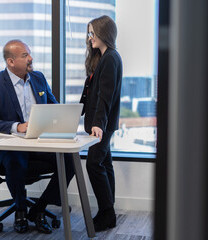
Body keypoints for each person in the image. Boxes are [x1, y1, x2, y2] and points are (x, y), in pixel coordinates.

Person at [0, 40, 74, 234]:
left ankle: (39, 209)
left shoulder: (38, 78)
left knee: (70, 161)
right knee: (16, 160)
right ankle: (21, 210)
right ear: (11, 62)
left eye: (29, 54)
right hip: (10, 148)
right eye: (25, 55)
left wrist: (63, 121)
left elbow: (54, 109)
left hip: (39, 144)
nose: (30, 58)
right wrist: (18, 127)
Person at [80, 15, 123, 232]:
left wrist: (98, 123)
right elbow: (93, 92)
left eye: (92, 33)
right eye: (89, 34)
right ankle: (108, 211)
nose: (90, 38)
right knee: (104, 164)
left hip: (102, 124)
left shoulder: (111, 58)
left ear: (103, 33)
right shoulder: (104, 58)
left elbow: (106, 95)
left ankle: (107, 213)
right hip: (102, 122)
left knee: (93, 164)